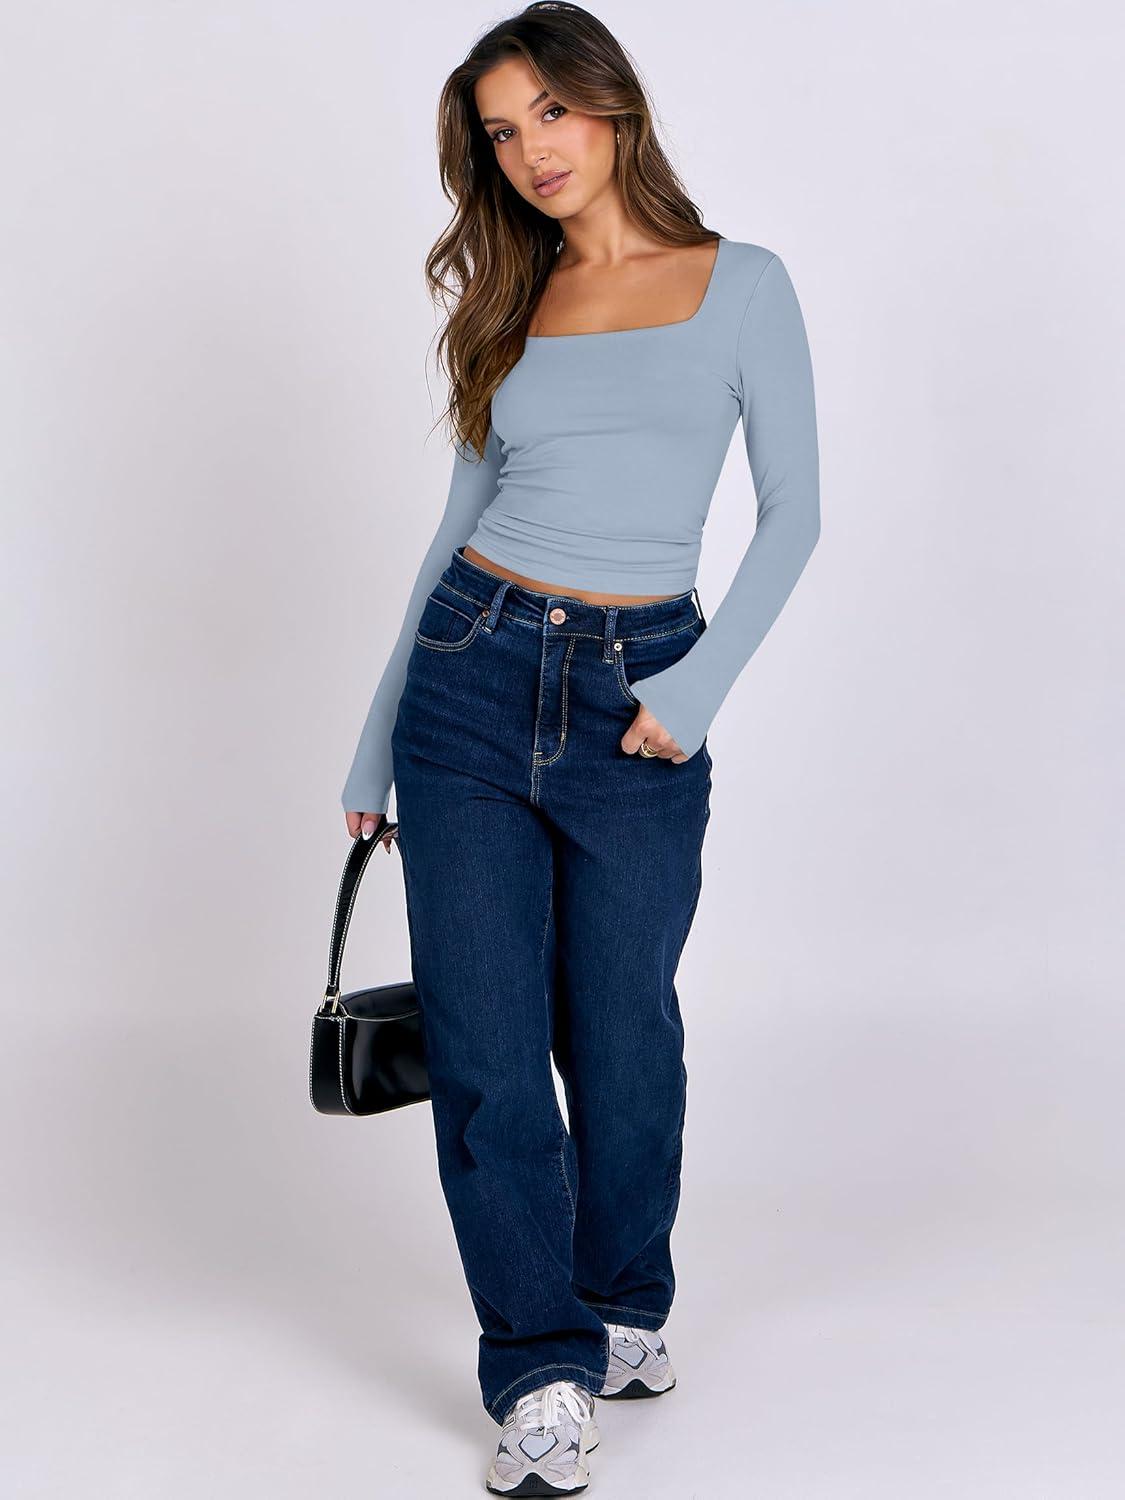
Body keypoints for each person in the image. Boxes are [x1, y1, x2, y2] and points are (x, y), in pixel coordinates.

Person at [339, 4, 820, 1492]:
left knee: (622, 1036)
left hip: (639, 694)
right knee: (487, 1052)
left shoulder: (743, 285)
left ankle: (622, 1303)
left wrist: (698, 690)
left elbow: (795, 514)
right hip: (468, 685)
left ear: (612, 105)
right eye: (501, 132)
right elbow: (456, 532)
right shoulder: (510, 302)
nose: (530, 150)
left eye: (549, 111)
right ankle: (538, 1368)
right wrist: (374, 750)